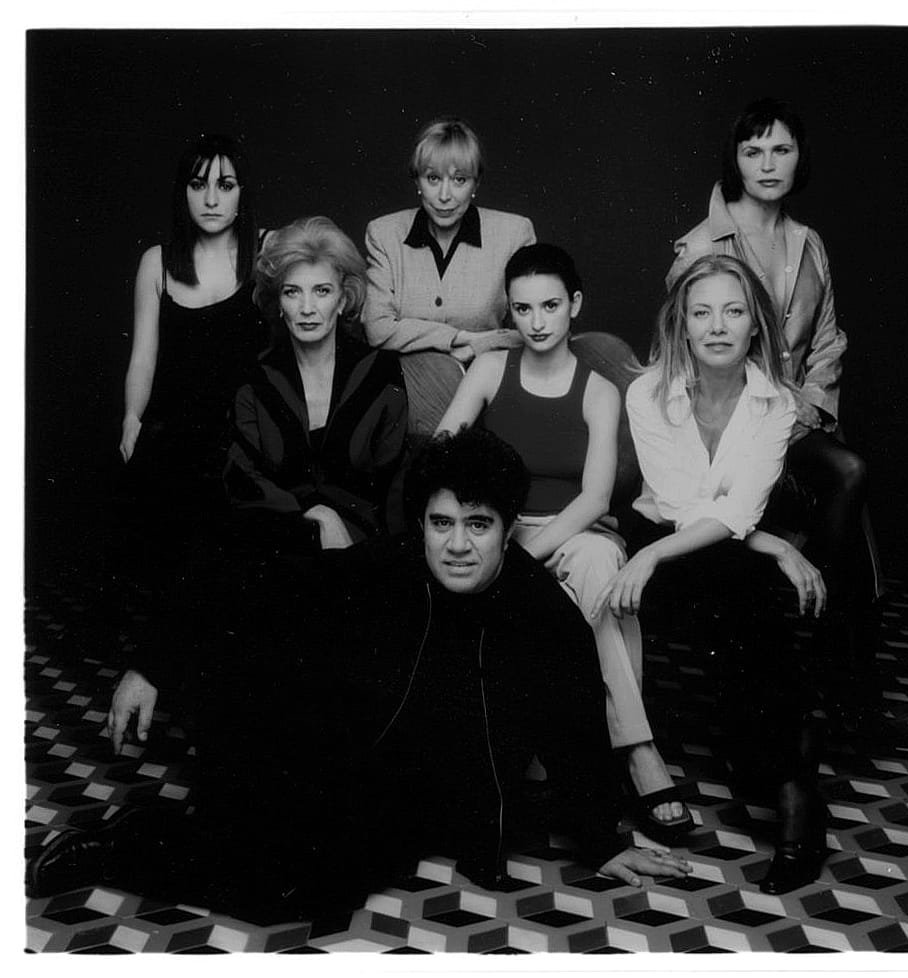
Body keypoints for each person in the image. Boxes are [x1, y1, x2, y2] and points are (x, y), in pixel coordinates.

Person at [29, 427, 691, 921]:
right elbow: (244, 578)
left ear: (508, 527)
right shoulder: (388, 568)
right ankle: (117, 843)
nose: (456, 545)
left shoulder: (544, 617)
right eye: (440, 523)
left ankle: (139, 837)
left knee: (306, 894)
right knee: (276, 875)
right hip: (342, 757)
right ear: (422, 523)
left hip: (418, 796)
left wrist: (602, 840)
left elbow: (576, 729)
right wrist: (151, 663)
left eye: (477, 526)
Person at [437, 244, 692, 843]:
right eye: (523, 309)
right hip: (498, 527)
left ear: (574, 304)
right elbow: (443, 451)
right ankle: (622, 752)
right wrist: (485, 533)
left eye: (551, 305)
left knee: (602, 562)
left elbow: (596, 499)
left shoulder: (599, 389)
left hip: (573, 529)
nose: (538, 321)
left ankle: (636, 749)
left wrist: (523, 557)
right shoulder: (489, 371)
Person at [596, 254, 827, 894]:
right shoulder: (647, 390)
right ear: (683, 324)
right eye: (702, 313)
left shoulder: (776, 402)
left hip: (705, 554)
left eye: (733, 311)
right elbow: (679, 502)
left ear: (756, 324)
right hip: (663, 539)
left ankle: (787, 783)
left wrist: (752, 535)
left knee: (737, 585)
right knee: (743, 580)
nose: (717, 326)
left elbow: (740, 507)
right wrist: (774, 545)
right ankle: (793, 779)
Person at [664, 98, 879, 725]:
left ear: (798, 159)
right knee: (844, 476)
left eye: (780, 150)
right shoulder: (701, 244)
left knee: (849, 473)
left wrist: (807, 408)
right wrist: (773, 414)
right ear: (734, 160)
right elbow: (694, 349)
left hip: (800, 419)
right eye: (752, 151)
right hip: (729, 421)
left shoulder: (808, 243)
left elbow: (830, 340)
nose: (767, 164)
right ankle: (833, 685)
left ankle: (840, 678)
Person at [223, 216, 409, 555]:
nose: (307, 308)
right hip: (276, 540)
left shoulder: (380, 371)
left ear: (342, 299)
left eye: (322, 291)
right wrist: (316, 515)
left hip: (364, 546)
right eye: (293, 292)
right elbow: (241, 476)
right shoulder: (254, 376)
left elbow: (394, 485)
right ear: (279, 303)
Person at [119, 133, 264, 524]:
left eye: (226, 185)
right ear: (183, 192)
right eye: (199, 185)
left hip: (250, 441)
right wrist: (132, 417)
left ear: (242, 193)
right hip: (174, 439)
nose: (212, 200)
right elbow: (143, 359)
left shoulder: (269, 254)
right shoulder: (157, 263)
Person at [363, 117, 536, 433]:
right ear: (417, 181)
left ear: (476, 184)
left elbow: (532, 328)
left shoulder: (514, 233)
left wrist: (473, 348)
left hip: (494, 394)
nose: (445, 195)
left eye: (459, 180)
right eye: (432, 178)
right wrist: (456, 338)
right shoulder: (384, 233)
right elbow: (376, 328)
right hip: (412, 402)